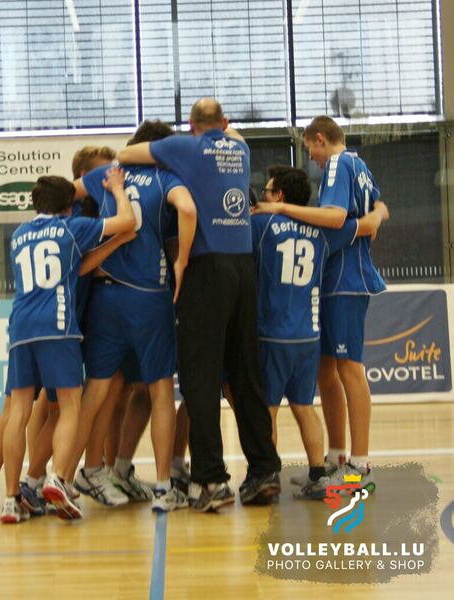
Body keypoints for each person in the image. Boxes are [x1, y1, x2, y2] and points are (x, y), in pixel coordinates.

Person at [117, 98, 282, 512]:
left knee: (200, 379)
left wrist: (174, 150)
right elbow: (229, 133)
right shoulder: (240, 147)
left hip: (206, 269)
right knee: (245, 375)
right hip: (243, 270)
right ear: (224, 122)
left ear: (191, 125)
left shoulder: (184, 147)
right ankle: (264, 471)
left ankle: (210, 480)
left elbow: (126, 154)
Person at [68, 119, 197, 513]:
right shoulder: (167, 179)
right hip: (149, 297)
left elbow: (65, 195)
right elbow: (187, 208)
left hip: (105, 297)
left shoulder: (107, 174)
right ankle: (163, 486)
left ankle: (65, 475)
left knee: (96, 391)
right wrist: (182, 262)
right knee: (159, 391)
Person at [254, 115, 385, 491]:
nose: (310, 157)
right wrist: (377, 216)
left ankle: (359, 465)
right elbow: (378, 208)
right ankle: (335, 458)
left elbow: (336, 216)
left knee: (349, 368)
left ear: (321, 138)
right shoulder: (359, 165)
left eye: (310, 147)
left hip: (346, 279)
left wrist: (282, 209)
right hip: (336, 278)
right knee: (326, 372)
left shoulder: (338, 164)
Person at [0, 171, 135, 523]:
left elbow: (75, 267)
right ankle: (58, 476)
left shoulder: (19, 235)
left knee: (18, 412)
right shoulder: (71, 228)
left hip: (20, 327)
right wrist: (118, 189)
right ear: (68, 207)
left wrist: (113, 245)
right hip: (57, 326)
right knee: (70, 405)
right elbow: (128, 220)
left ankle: (10, 498)